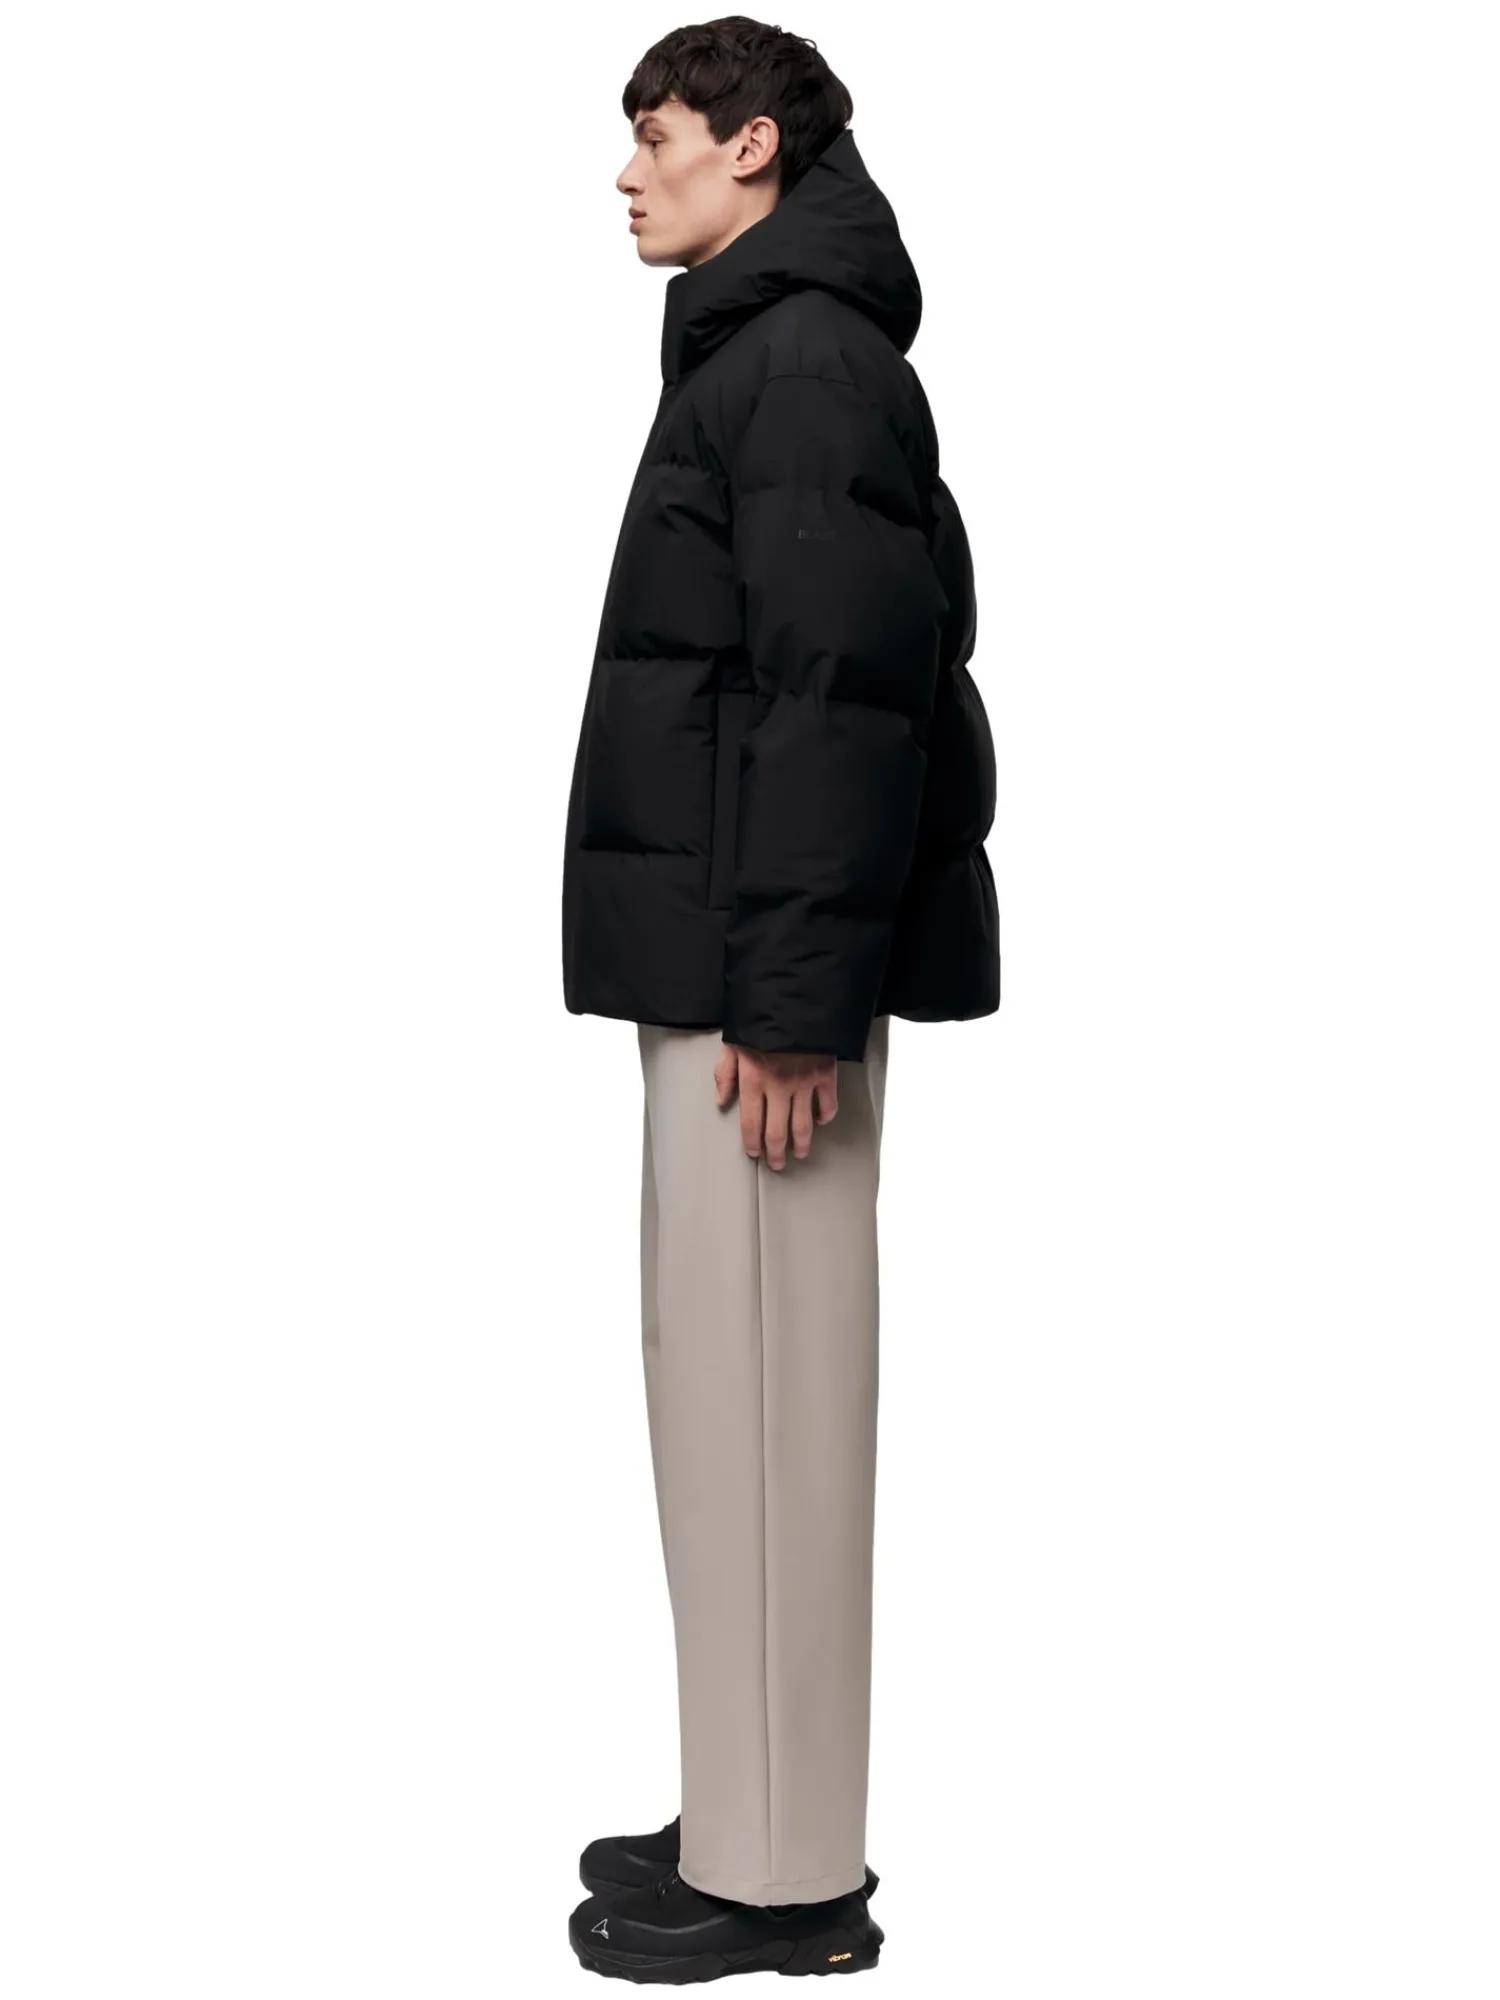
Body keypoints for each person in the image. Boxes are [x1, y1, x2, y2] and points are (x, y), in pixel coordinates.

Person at [560, 17, 999, 1982]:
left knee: (768, 1412)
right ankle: (750, 1803)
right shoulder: (770, 350)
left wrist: (797, 1002)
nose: (626, 173)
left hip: (766, 997)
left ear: (752, 147)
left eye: (655, 136)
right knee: (727, 1404)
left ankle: (785, 1878)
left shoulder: (804, 363)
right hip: (736, 962)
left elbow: (843, 700)